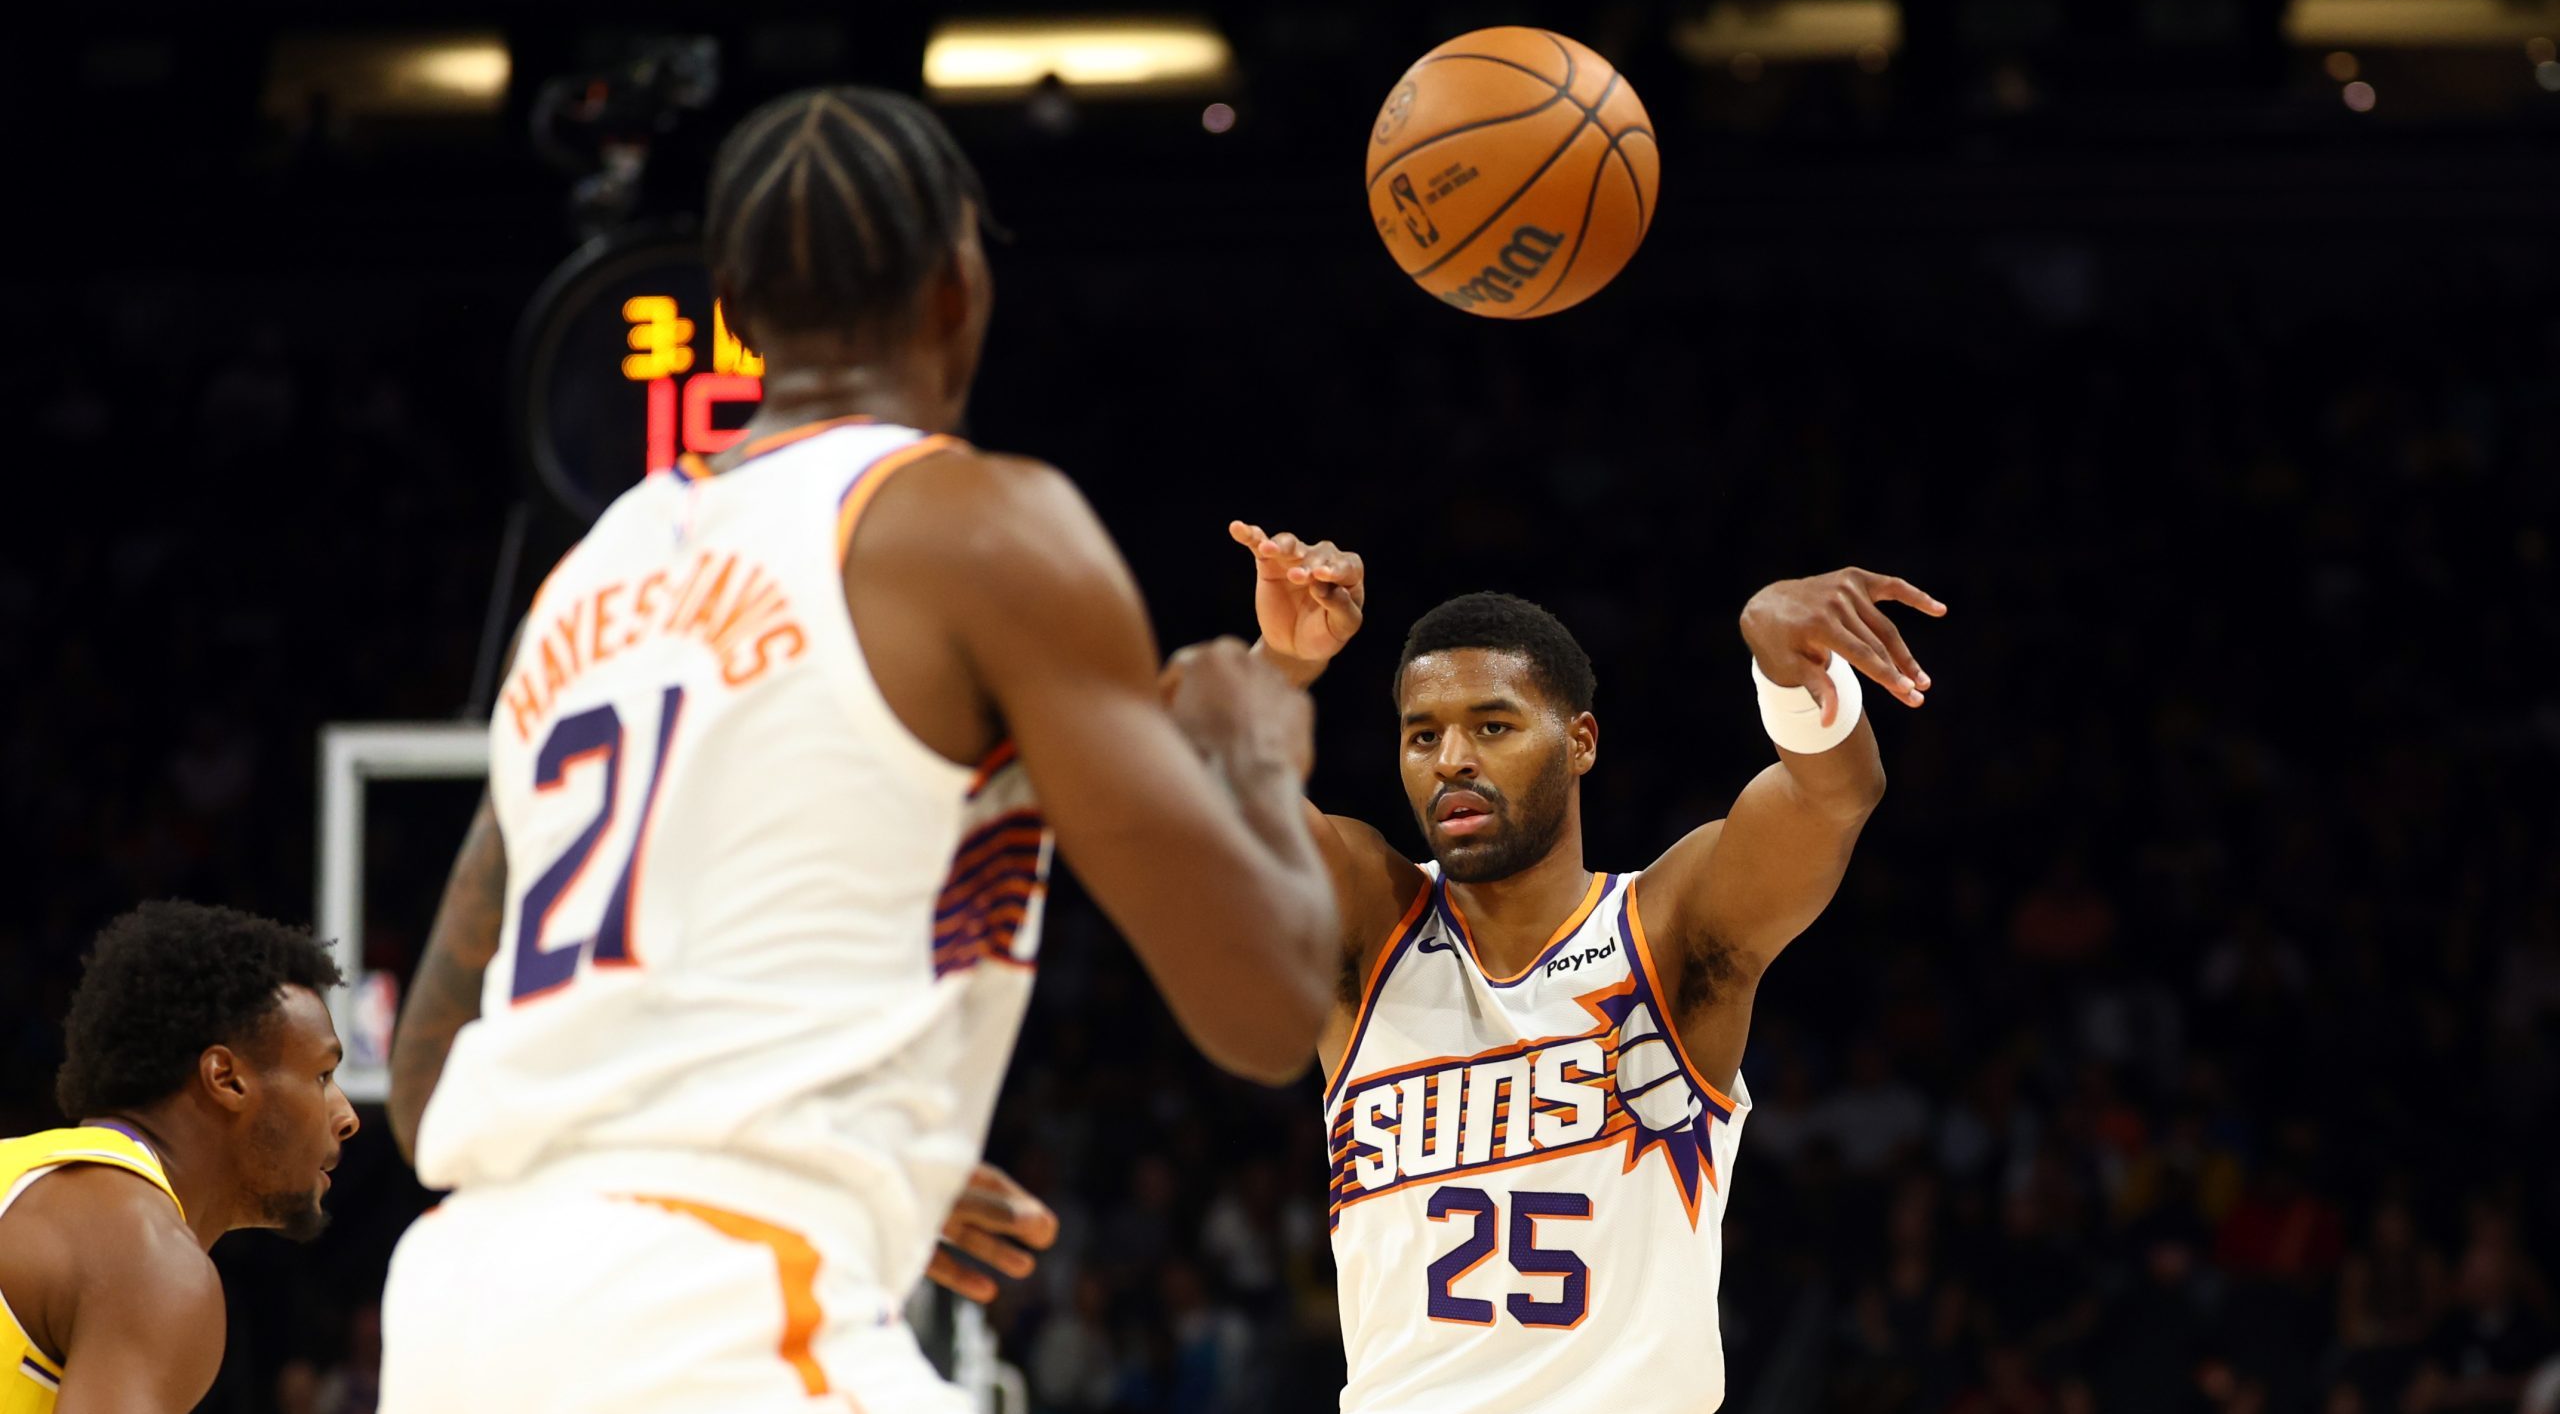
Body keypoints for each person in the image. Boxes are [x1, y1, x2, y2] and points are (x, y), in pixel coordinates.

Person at [377, 86, 1339, 1413]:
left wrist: (843, 1146)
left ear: (727, 301)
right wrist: (1258, 744)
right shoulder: (976, 525)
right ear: (959, 284)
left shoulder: (592, 573)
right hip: (716, 1309)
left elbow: (425, 1094)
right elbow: (1273, 1008)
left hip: (461, 1314)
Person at [1226, 520, 1944, 1413]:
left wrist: (1787, 667)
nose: (1452, 759)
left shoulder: (1670, 930)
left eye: (1493, 725)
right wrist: (1279, 664)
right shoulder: (1370, 926)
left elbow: (1833, 798)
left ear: (1581, 742)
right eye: (1422, 736)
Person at [0, 900, 359, 1413]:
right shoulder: (151, 1262)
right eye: (322, 1076)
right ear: (226, 1079)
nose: (347, 1115)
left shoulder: (18, 1171)